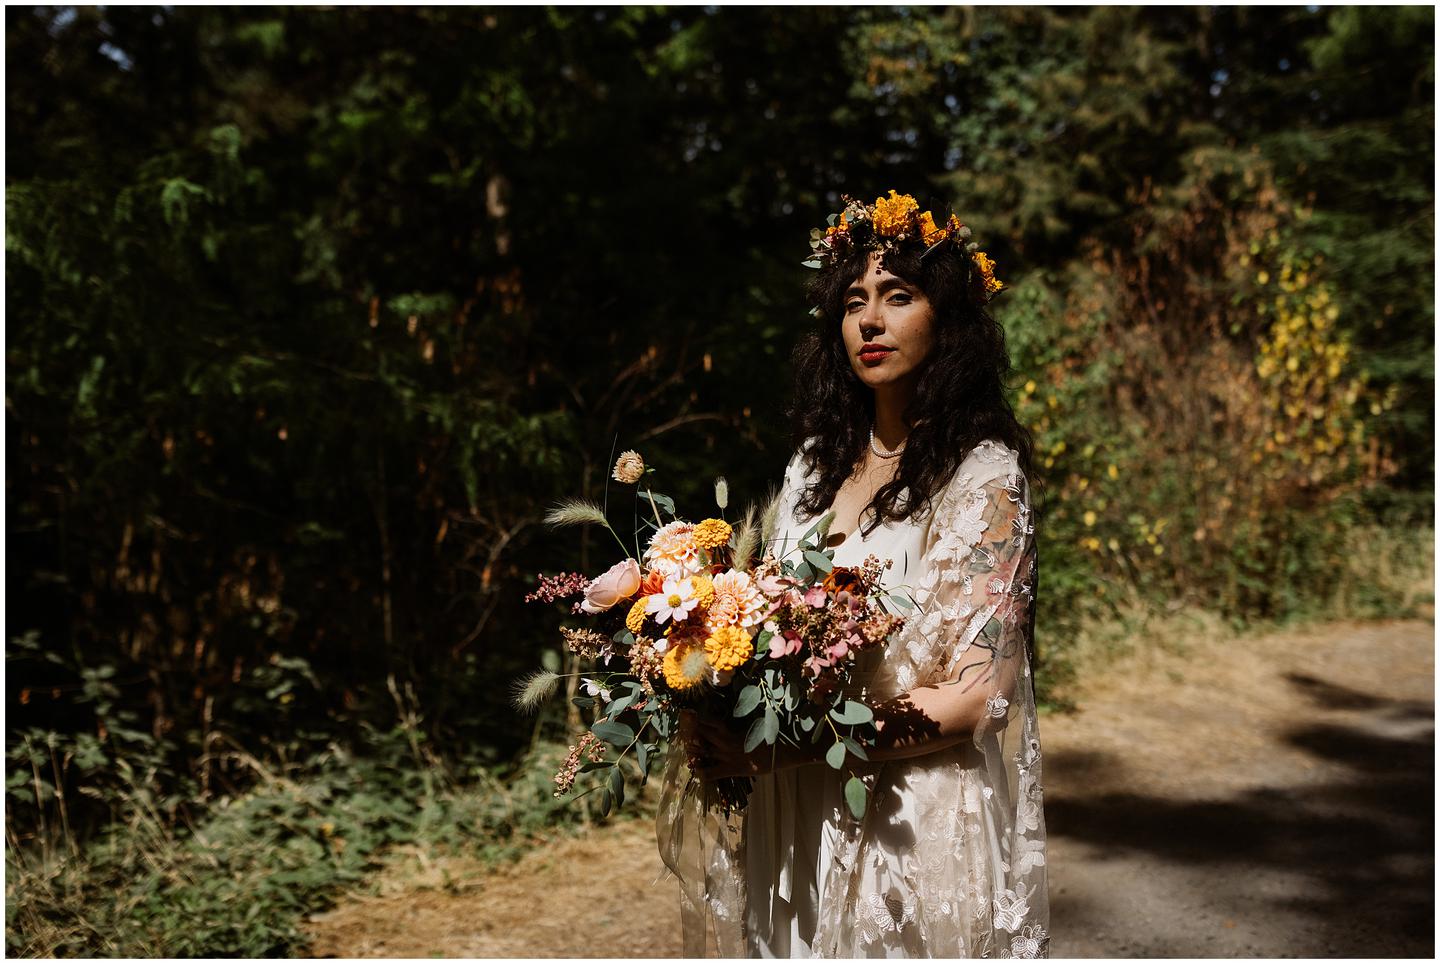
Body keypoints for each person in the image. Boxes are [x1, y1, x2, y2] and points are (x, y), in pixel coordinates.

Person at [655, 191, 1048, 958]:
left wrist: (787, 747)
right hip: (793, 817)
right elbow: (766, 624)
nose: (870, 321)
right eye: (854, 302)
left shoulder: (983, 478)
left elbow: (976, 698)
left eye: (899, 297)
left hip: (911, 817)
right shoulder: (812, 467)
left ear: (949, 319)